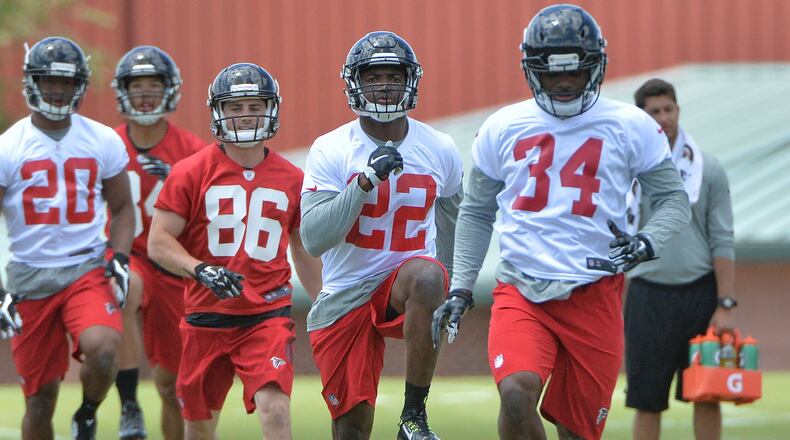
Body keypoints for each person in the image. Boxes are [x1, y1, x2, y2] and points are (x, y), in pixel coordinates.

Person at [431, 5, 692, 440]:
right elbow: (477, 211)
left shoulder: (631, 126)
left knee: (577, 430)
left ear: (595, 66)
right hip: (522, 286)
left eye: (574, 71)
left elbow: (673, 201)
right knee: (515, 393)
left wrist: (648, 239)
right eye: (552, 74)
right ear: (533, 70)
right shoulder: (502, 126)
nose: (565, 83)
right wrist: (461, 285)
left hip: (595, 291)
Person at [300, 31, 464, 440]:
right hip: (346, 290)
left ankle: (413, 416)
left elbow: (451, 219)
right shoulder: (331, 148)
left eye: (394, 75)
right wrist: (365, 180)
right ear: (356, 82)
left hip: (404, 283)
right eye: (375, 76)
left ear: (410, 80)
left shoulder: (439, 146)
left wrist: (455, 286)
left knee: (427, 276)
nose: (385, 85)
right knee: (352, 426)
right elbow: (314, 238)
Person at [147, 62, 322, 440]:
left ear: (271, 109)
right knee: (199, 428)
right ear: (218, 112)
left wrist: (325, 304)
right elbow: (158, 242)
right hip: (204, 317)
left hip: (265, 316)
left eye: (255, 106)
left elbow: (303, 250)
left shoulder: (293, 178)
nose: (246, 116)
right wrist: (199, 269)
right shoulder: (190, 171)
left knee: (275, 408)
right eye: (235, 107)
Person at [0, 36, 134, 440]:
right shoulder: (9, 146)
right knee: (40, 401)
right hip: (30, 277)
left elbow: (123, 207)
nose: (57, 90)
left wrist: (121, 256)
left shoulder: (102, 138)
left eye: (65, 82)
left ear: (80, 85)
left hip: (85, 268)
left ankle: (89, 412)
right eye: (48, 81)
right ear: (32, 83)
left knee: (104, 347)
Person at [624, 78, 736, 440]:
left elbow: (722, 238)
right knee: (646, 400)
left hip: (699, 295)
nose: (663, 117)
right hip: (647, 295)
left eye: (668, 108)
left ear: (678, 110)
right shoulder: (627, 171)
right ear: (642, 118)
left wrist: (725, 304)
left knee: (708, 394)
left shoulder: (709, 169)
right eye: (653, 111)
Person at [110, 45, 206, 440]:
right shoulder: (105, 144)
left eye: (155, 84)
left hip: (175, 266)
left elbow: (206, 219)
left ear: (170, 89)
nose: (147, 93)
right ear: (124, 92)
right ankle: (129, 404)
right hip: (129, 255)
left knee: (173, 386)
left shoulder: (195, 152)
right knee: (124, 285)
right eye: (138, 85)